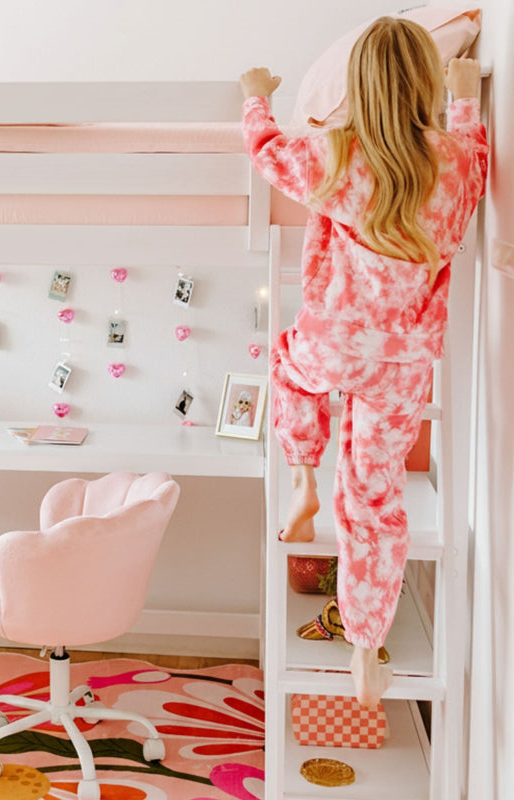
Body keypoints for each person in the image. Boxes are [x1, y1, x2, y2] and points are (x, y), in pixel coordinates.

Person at [240, 17, 487, 707]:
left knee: (288, 369)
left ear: (358, 88)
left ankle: (300, 476)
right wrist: (465, 97)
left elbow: (267, 152)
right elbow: (475, 156)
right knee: (375, 500)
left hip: (332, 340)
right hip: (403, 361)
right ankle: (367, 641)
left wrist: (254, 96)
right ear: (423, 84)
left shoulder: (335, 155)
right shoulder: (454, 163)